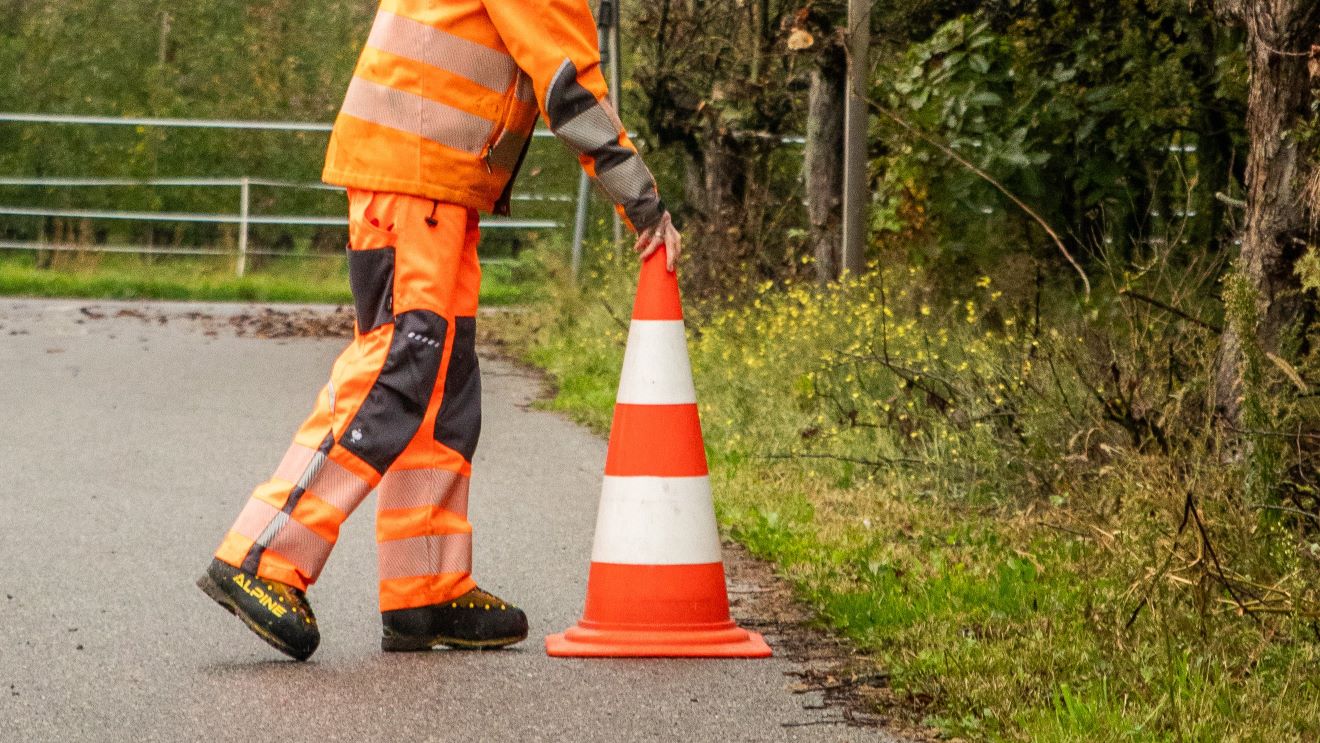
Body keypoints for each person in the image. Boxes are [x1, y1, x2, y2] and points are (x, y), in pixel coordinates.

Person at [197, 0, 682, 661]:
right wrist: (643, 204)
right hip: (415, 174)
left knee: (441, 382)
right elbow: (566, 86)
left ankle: (424, 587)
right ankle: (261, 556)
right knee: (400, 361)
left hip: (433, 178)